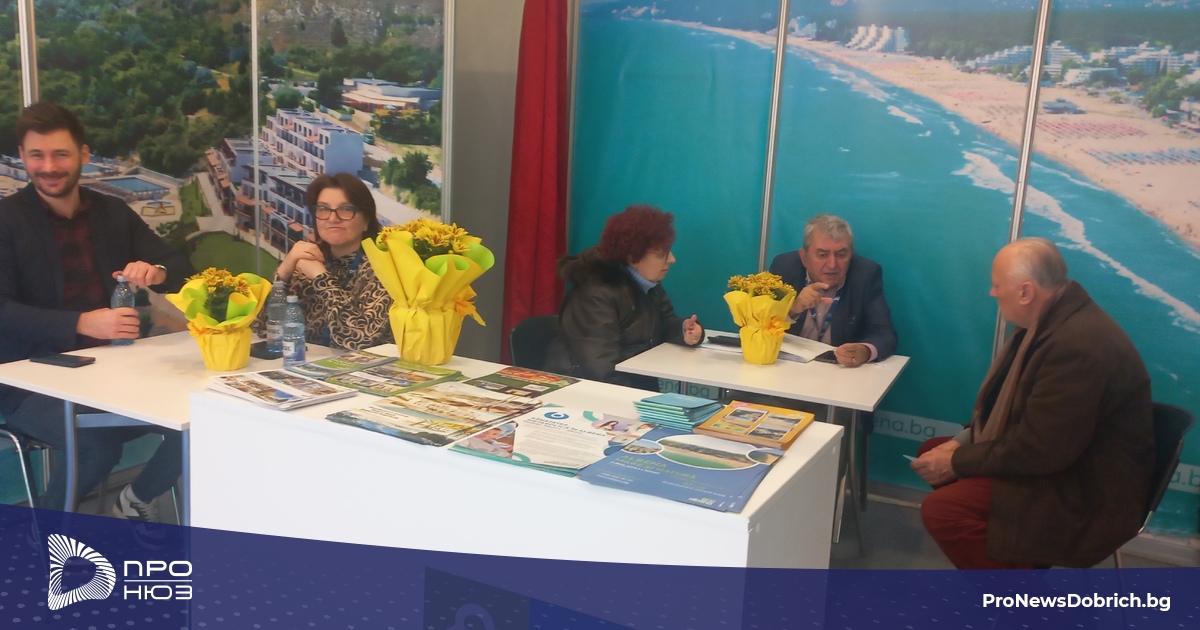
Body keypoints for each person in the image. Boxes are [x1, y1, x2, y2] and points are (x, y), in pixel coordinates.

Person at [0, 102, 193, 520]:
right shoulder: (6, 220)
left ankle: (134, 502)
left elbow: (179, 266)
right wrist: (82, 323)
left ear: (84, 155)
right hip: (25, 382)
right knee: (95, 445)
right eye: (37, 156)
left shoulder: (112, 213)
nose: (48, 167)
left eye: (60, 154)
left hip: (109, 373)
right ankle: (46, 543)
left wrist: (157, 273)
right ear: (23, 157)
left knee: (205, 416)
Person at [911, 238, 1153, 569]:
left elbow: (1040, 449)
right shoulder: (1049, 323)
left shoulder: (1077, 347)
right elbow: (1013, 414)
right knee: (932, 451)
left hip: (1086, 487)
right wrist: (960, 443)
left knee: (944, 511)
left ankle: (1020, 593)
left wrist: (957, 461)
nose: (992, 293)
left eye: (997, 285)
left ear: (1026, 292)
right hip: (1067, 459)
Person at [545, 205, 703, 389]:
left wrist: (684, 330)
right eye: (662, 254)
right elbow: (600, 370)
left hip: (631, 382)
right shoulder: (595, 295)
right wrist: (642, 399)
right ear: (632, 256)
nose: (671, 259)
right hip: (585, 389)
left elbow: (664, 321)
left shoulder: (648, 282)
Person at [262, 173, 393, 350]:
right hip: (304, 364)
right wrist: (283, 273)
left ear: (366, 221)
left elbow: (360, 340)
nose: (333, 218)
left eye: (345, 209)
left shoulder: (384, 270)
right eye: (323, 209)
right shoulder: (307, 265)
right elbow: (263, 329)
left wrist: (321, 277)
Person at [768, 214, 897, 367]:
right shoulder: (784, 268)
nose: (832, 264)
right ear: (804, 258)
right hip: (787, 367)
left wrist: (865, 351)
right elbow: (755, 325)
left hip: (839, 371)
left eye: (841, 255)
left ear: (851, 254)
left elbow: (884, 333)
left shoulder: (866, 274)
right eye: (822, 255)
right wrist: (792, 309)